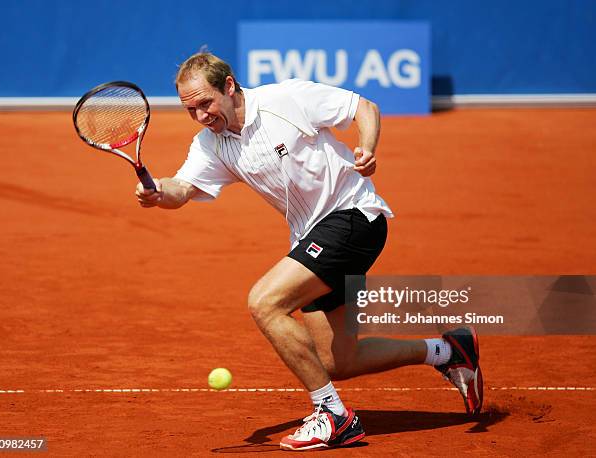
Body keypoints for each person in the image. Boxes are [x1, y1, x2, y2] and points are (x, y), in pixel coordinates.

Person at [135, 52, 483, 451]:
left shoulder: (286, 99)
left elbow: (363, 107)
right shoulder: (211, 144)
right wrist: (158, 191)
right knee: (339, 361)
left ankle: (333, 414)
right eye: (190, 109)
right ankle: (448, 351)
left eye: (205, 103)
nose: (200, 116)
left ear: (229, 86)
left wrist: (367, 149)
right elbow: (182, 190)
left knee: (265, 302)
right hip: (312, 236)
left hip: (353, 218)